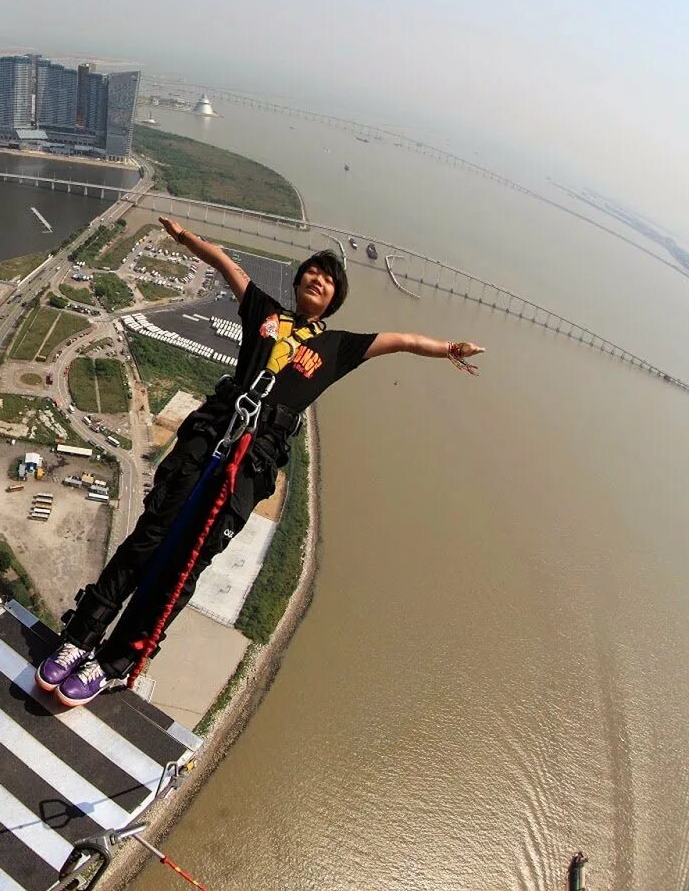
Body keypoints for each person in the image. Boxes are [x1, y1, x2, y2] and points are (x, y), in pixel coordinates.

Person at [39, 217, 484, 706]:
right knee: (148, 537)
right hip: (212, 432)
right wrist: (186, 239)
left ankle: (113, 661)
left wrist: (447, 349)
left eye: (328, 279)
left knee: (186, 564)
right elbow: (226, 264)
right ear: (297, 282)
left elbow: (399, 340)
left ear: (335, 300)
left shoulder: (338, 348)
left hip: (254, 460)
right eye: (312, 272)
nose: (318, 279)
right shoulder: (265, 314)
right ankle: (80, 637)